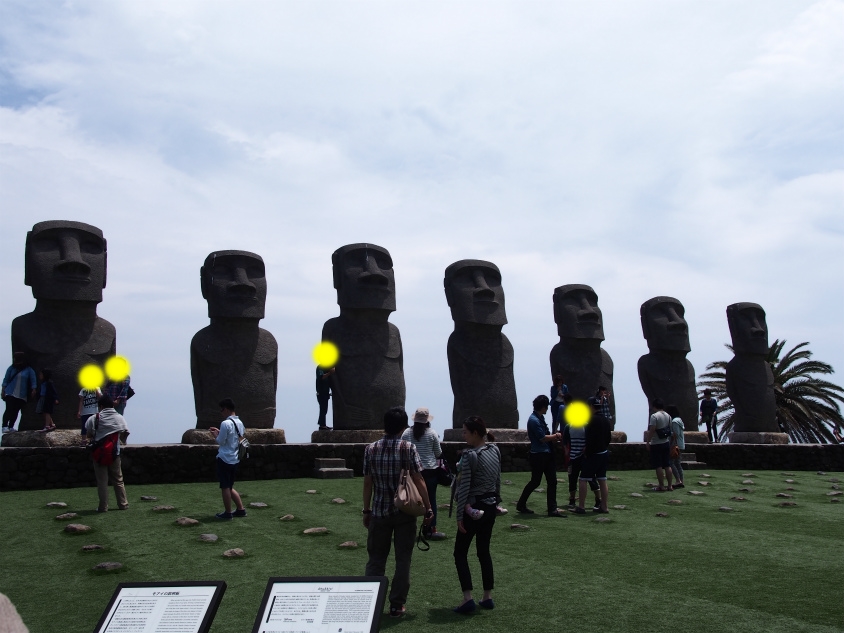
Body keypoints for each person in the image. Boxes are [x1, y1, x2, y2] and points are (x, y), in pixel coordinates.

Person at [363, 406, 433, 618]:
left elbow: (368, 483)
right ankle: (397, 604)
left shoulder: (371, 449)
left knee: (376, 560)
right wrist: (428, 507)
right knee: (403, 560)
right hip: (405, 511)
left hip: (379, 511)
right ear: (403, 427)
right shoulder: (408, 447)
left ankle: (371, 603)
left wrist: (366, 510)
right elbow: (419, 479)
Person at [453, 416, 501, 613]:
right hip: (490, 506)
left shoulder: (470, 455)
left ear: (475, 433)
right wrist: (497, 502)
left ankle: (467, 598)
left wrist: (459, 516)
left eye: (465, 432)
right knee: (483, 551)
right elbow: (497, 480)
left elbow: (464, 487)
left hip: (473, 508)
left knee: (460, 552)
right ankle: (487, 596)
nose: (463, 435)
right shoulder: (495, 450)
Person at [400, 407, 446, 540]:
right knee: (430, 500)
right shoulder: (432, 433)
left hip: (412, 471)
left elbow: (401, 450)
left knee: (409, 499)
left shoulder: (407, 433)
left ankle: (409, 529)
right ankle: (431, 528)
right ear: (427, 420)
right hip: (430, 470)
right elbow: (438, 453)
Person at [516, 395, 565, 517]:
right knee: (535, 481)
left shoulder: (539, 418)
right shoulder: (534, 420)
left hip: (546, 453)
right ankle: (521, 504)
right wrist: (556, 436)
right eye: (546, 406)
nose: (547, 409)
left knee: (552, 481)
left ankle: (552, 509)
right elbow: (542, 438)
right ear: (543, 407)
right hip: (539, 455)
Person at [85, 395, 130, 512]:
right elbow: (125, 432)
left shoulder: (94, 418)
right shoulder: (119, 418)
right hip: (114, 453)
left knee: (102, 482)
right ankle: (123, 504)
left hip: (99, 454)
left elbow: (88, 434)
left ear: (101, 406)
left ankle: (103, 507)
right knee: (118, 480)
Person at [208, 398, 248, 520]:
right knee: (229, 486)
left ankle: (228, 512)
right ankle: (240, 509)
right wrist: (221, 432)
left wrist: (215, 435)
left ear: (225, 409)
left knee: (225, 487)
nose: (221, 412)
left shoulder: (225, 423)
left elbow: (221, 441)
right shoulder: (240, 423)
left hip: (225, 457)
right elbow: (234, 437)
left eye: (221, 410)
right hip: (235, 457)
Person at [574, 397, 612, 514]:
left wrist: (587, 452)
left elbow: (589, 439)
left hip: (593, 455)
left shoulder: (591, 420)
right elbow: (608, 438)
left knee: (583, 479)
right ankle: (604, 507)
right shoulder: (606, 420)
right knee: (602, 479)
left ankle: (581, 507)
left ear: (591, 406)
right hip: (604, 453)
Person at [563, 401, 602, 511]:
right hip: (573, 457)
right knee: (572, 479)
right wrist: (566, 451)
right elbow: (565, 440)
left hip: (585, 457)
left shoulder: (586, 425)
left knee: (591, 479)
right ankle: (572, 499)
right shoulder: (569, 426)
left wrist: (586, 449)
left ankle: (598, 499)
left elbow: (590, 439)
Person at [2, 352, 37, 433]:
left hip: (22, 394)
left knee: (16, 411)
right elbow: (6, 379)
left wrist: (34, 389)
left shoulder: (28, 369)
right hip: (10, 392)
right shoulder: (11, 368)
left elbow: (33, 379)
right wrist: (3, 389)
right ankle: (4, 426)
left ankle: (11, 426)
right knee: (9, 409)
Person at [647, 398, 673, 491]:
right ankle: (670, 486)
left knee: (658, 465)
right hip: (666, 442)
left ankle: (661, 486)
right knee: (667, 465)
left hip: (656, 443)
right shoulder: (668, 416)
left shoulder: (654, 416)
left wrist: (648, 441)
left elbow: (652, 429)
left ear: (655, 406)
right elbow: (670, 429)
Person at [667, 404, 685, 488]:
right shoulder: (679, 420)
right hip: (680, 444)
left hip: (675, 444)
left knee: (671, 462)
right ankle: (681, 480)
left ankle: (678, 480)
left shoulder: (674, 421)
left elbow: (675, 434)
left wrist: (667, 433)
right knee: (678, 463)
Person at [316, 365, 334, 430]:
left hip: (326, 393)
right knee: (323, 409)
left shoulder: (326, 368)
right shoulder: (320, 368)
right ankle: (322, 425)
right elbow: (321, 377)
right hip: (321, 393)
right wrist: (330, 373)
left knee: (324, 409)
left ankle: (322, 424)